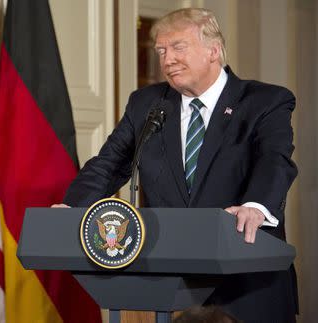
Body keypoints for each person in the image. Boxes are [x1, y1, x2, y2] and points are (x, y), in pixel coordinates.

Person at [57, 8, 298, 323]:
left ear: (213, 51)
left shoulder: (264, 101)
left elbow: (274, 159)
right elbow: (109, 162)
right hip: (176, 289)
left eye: (178, 47)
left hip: (249, 282)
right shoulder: (147, 104)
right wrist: (72, 208)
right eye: (161, 50)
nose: (167, 59)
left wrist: (255, 205)